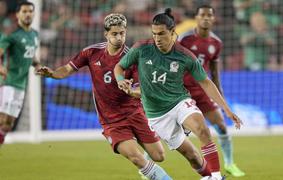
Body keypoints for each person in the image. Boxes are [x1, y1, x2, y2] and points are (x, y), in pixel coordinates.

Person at [36, 13, 172, 180]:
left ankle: (147, 170)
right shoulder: (91, 53)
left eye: (122, 33)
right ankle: (154, 173)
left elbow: (142, 89)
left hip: (134, 113)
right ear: (106, 34)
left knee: (159, 156)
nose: (119, 37)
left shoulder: (133, 58)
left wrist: (130, 90)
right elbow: (67, 69)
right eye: (114, 33)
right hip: (111, 120)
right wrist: (53, 74)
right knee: (136, 158)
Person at [114, 8, 242, 180]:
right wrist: (120, 79)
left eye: (161, 34)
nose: (157, 39)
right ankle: (206, 175)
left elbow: (206, 82)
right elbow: (119, 67)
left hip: (179, 102)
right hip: (156, 114)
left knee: (202, 130)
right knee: (193, 157)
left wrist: (226, 109)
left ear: (173, 32)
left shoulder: (184, 55)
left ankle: (217, 177)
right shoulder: (141, 49)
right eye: (154, 34)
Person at [178, 5, 245, 177]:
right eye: (203, 15)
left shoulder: (216, 43)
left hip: (202, 90)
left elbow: (214, 74)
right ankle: (148, 159)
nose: (206, 18)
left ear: (214, 19)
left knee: (221, 125)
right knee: (170, 128)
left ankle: (230, 164)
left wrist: (221, 101)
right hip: (182, 90)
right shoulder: (184, 39)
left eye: (209, 15)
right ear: (197, 17)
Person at [0, 1, 40, 145]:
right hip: (8, 81)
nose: (28, 14)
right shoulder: (11, 34)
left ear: (34, 13)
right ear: (17, 15)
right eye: (24, 11)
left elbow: (30, 55)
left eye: (30, 11)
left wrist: (37, 65)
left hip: (21, 84)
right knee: (2, 118)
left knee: (8, 123)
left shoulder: (35, 34)